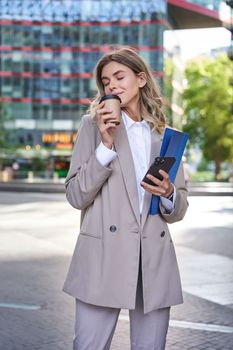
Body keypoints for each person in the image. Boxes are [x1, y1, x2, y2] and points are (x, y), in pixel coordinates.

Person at [63, 47, 188, 350]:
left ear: (141, 79)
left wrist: (169, 193)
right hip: (103, 256)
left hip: (153, 260)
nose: (113, 85)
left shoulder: (165, 135)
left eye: (120, 76)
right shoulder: (93, 126)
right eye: (106, 81)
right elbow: (76, 195)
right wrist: (105, 146)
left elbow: (179, 207)